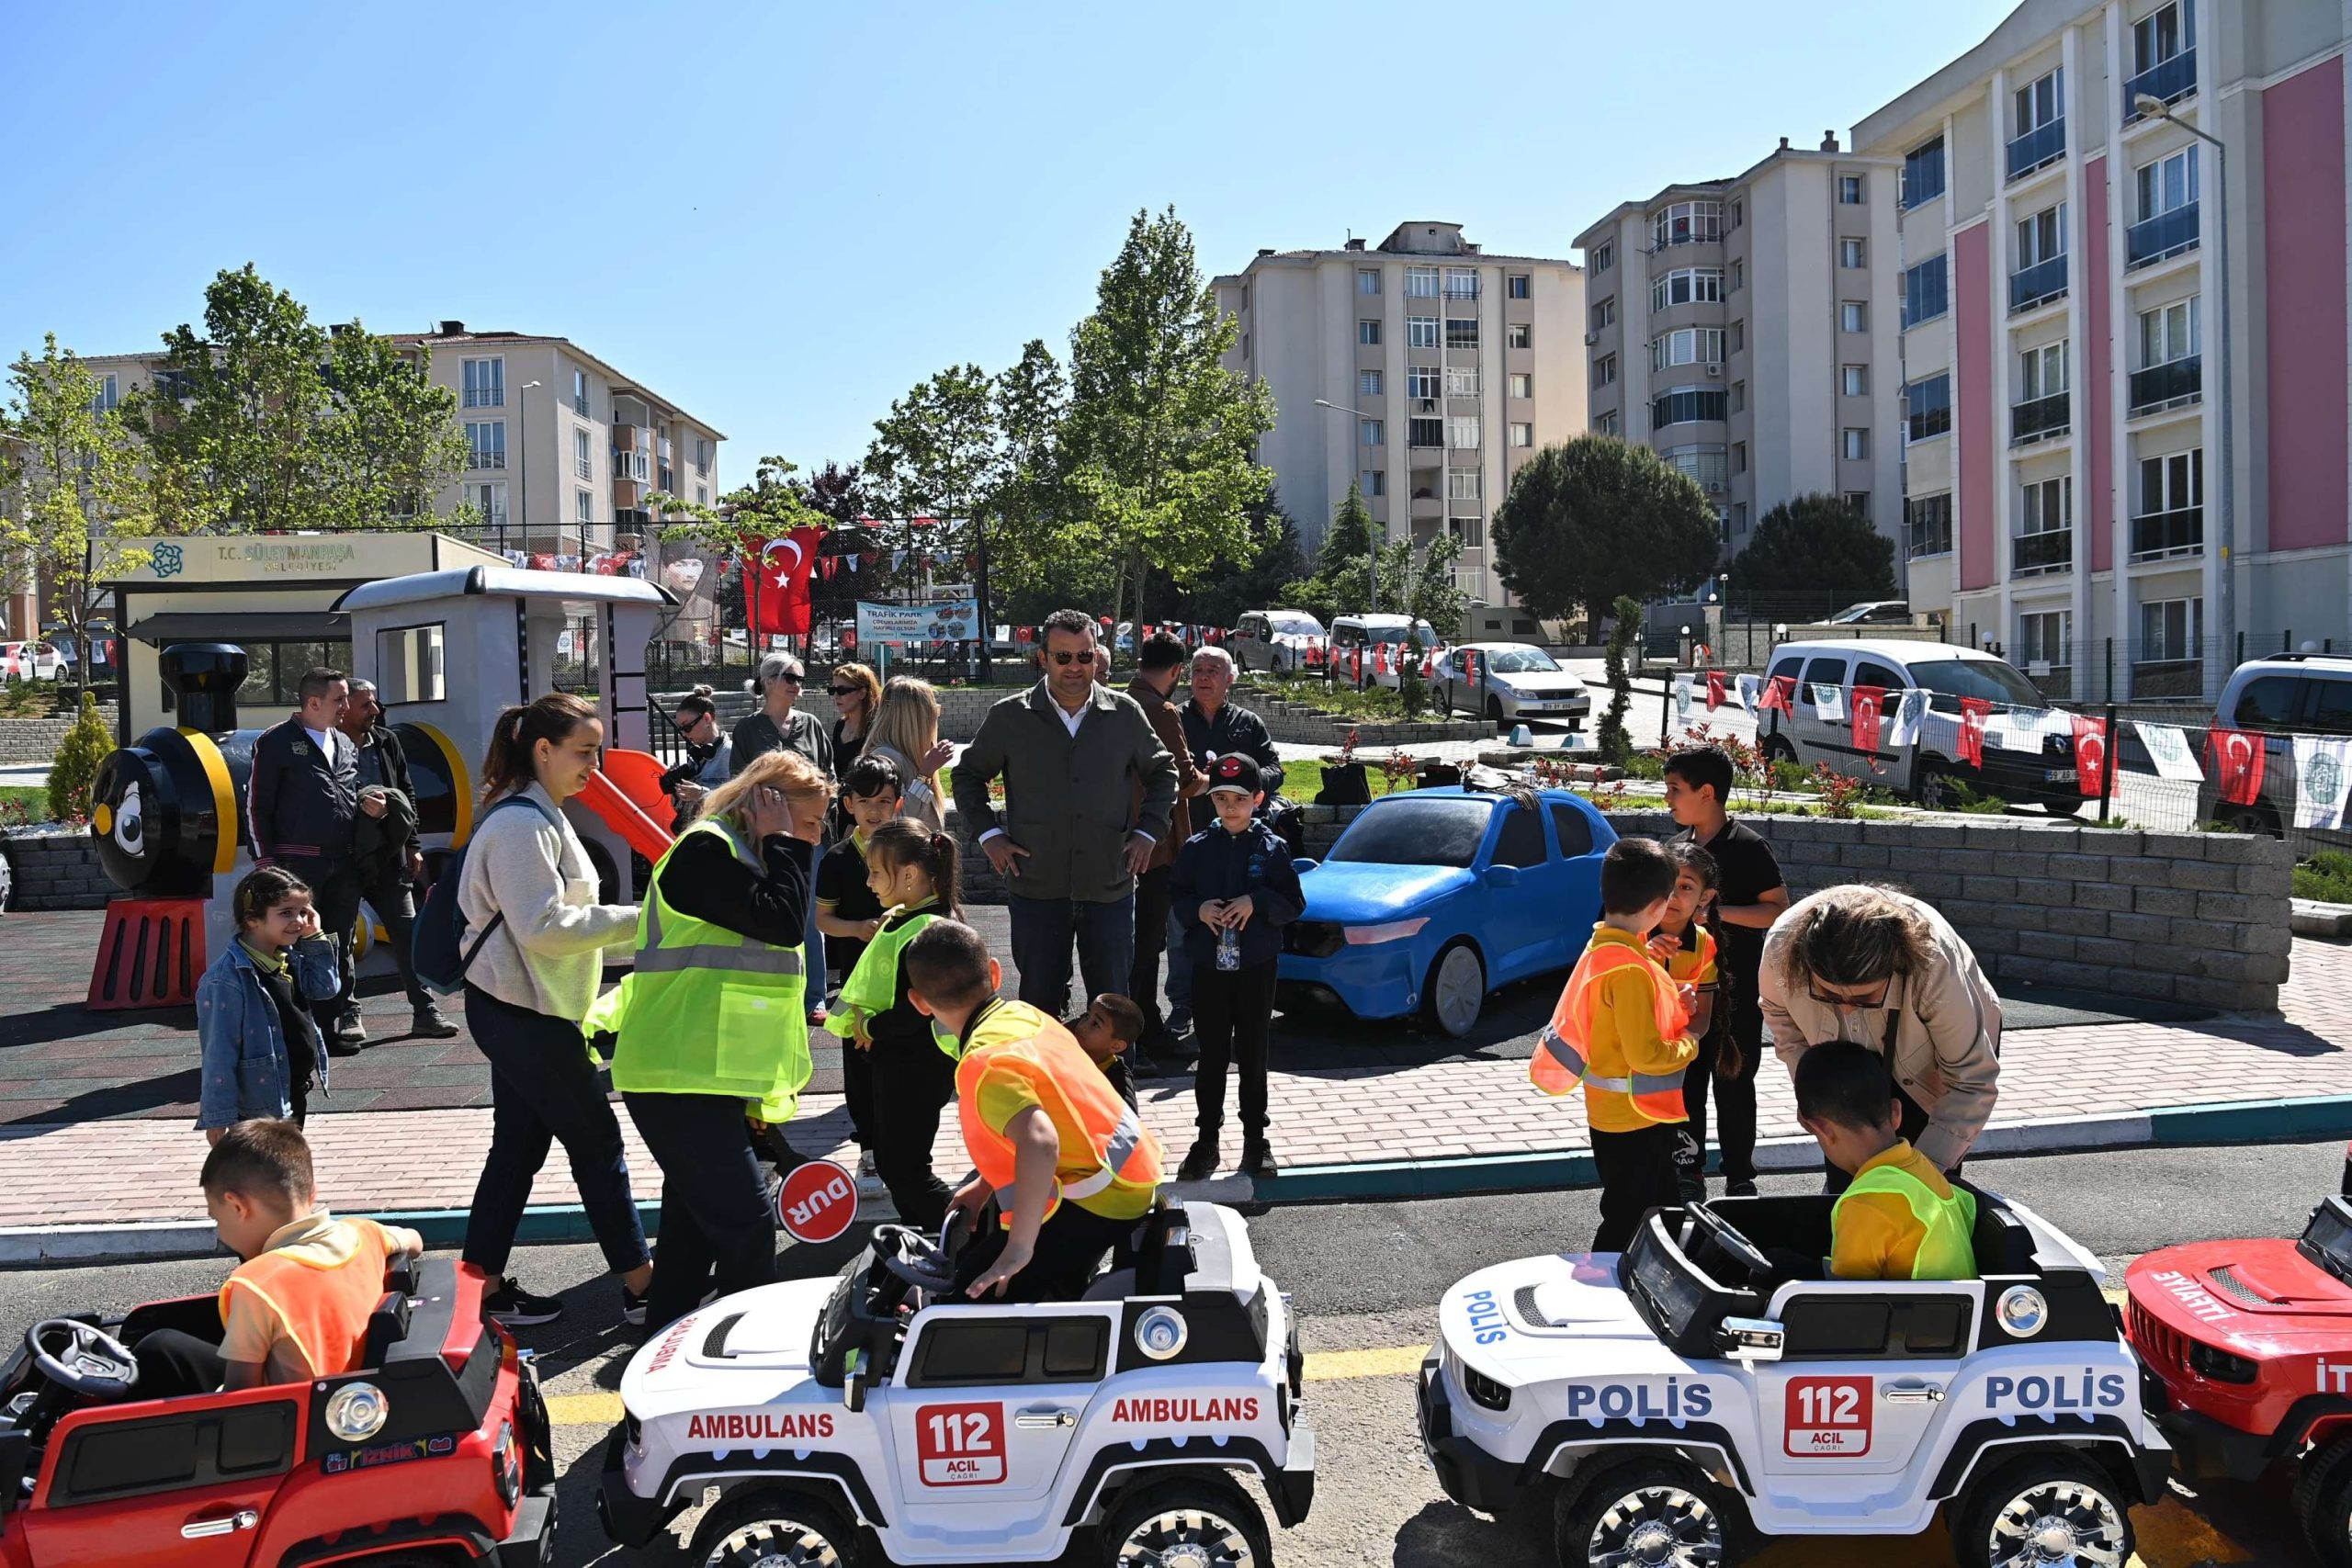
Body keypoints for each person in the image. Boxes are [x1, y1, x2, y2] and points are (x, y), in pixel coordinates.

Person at [599, 750, 831, 1335]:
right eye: (810, 824)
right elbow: (781, 925)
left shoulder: (737, 857)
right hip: (675, 1074)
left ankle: (659, 1372)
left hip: (696, 1074)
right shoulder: (707, 851)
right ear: (765, 806)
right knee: (746, 1226)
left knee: (691, 1235)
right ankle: (743, 1369)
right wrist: (787, 845)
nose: (816, 837)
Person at [457, 694, 653, 1328]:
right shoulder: (520, 825)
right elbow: (543, 926)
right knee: (597, 1139)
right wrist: (645, 922)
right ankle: (642, 1284)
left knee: (516, 1150)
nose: (593, 765)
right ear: (542, 750)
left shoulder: (542, 813)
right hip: (523, 1012)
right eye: (584, 751)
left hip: (524, 1007)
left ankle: (480, 1289)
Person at [903, 919, 1162, 1303]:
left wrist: (1019, 1250)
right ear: (993, 973)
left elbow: (1041, 1143)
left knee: (970, 1296)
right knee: (993, 1274)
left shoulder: (983, 1064)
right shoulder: (1027, 1015)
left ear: (920, 1002)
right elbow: (1052, 1113)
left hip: (1102, 1196)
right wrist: (983, 1186)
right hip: (1126, 1178)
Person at [952, 610, 1177, 1018]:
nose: (1075, 667)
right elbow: (967, 777)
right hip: (1036, 888)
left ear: (1096, 656)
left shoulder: (1124, 714)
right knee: (1037, 1011)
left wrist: (1148, 832)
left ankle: (1113, 1084)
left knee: (1112, 1013)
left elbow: (1164, 772)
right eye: (1063, 657)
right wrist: (989, 835)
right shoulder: (1010, 716)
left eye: (1084, 657)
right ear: (1043, 657)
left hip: (1108, 885)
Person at [130, 1119, 425, 1397]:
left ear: (237, 1207)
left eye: (216, 1218)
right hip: (343, 1392)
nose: (220, 1232)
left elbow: (239, 1398)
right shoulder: (363, 1234)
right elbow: (414, 1240)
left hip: (291, 1420)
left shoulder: (257, 1285)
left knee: (159, 1348)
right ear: (312, 1194)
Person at [1760, 885, 2003, 1190]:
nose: (1847, 1009)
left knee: (1929, 1172)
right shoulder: (1782, 947)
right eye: (1829, 995)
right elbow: (1778, 1012)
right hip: (1844, 1055)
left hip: (1930, 1060)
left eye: (1865, 999)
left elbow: (1970, 1083)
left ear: (1896, 970)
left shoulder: (1933, 963)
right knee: (1847, 1161)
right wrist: (1815, 1091)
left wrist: (1919, 1179)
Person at [1529, 838, 1700, 1253]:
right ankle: (1605, 1289)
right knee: (1631, 1218)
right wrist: (1689, 1043)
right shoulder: (1630, 970)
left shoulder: (1601, 948)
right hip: (1636, 1117)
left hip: (1611, 1114)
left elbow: (1618, 1017)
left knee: (1651, 1208)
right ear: (1658, 908)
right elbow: (1647, 1055)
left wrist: (1672, 1000)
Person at [1662, 745, 1789, 1198]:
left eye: (1676, 790)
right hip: (1684, 989)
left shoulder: (1749, 846)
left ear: (1708, 792)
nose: (1668, 799)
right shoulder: (1675, 851)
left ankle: (1740, 1177)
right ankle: (1688, 1170)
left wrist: (1717, 912)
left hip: (1737, 990)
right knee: (1687, 1081)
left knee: (1734, 1081)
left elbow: (1777, 911)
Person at [1171, 755, 1303, 1180]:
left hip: (1255, 967)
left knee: (1252, 1052)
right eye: (1221, 798)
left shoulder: (1273, 848)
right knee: (1211, 1054)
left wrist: (1257, 901)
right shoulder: (1196, 849)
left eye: (1240, 799)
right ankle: (1206, 1139)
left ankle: (1255, 1141)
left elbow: (1293, 903)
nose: (1230, 807)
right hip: (1209, 966)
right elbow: (1179, 899)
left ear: (1258, 799)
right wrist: (1199, 909)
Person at [835, 818, 962, 1232]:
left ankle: (969, 1235)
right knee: (895, 1164)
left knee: (906, 1167)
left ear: (909, 875)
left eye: (875, 871)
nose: (869, 882)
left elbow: (918, 1007)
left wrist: (872, 1028)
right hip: (898, 1063)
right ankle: (929, 1238)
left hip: (918, 1066)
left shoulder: (930, 930)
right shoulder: (905, 918)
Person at [247, 666, 375, 1054]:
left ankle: (331, 1023)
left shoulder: (347, 743)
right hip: (296, 866)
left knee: (337, 943)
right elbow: (256, 805)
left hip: (344, 863)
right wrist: (266, 865)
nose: (347, 706)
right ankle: (294, 1029)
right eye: (339, 700)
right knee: (294, 946)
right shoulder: (276, 741)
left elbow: (348, 794)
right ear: (313, 702)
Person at [1795, 1043, 1980, 1281]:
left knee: (1778, 1267)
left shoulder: (1865, 1202)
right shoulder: (1924, 1170)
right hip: (1951, 1309)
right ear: (1896, 1113)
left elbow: (1846, 1300)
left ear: (1820, 1129)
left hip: (1913, 1317)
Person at [1169, 644, 1277, 1041]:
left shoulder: (1247, 723)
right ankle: (1181, 1006)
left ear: (1230, 678)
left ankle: (1241, 1009)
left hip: (1240, 843)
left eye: (1213, 669)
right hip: (1189, 839)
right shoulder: (1175, 719)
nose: (1203, 676)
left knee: (1238, 921)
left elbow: (1273, 768)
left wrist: (1243, 785)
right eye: (1197, 669)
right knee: (1185, 926)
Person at [339, 678, 458, 1039]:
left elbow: (407, 791)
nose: (374, 711)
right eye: (365, 706)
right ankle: (347, 1015)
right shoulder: (327, 744)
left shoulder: (387, 741)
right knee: (341, 936)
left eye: (376, 704)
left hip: (388, 855)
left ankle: (425, 1011)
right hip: (343, 857)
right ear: (343, 710)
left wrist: (412, 844)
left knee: (407, 932)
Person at [197, 868, 337, 1140]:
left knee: (283, 1173)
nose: (298, 921)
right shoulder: (226, 980)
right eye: (286, 913)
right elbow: (218, 1052)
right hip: (259, 1106)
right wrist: (218, 1117)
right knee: (269, 1176)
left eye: (303, 912)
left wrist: (315, 938)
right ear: (252, 920)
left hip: (293, 1089)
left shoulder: (289, 958)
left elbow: (325, 988)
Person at [730, 651, 831, 1018]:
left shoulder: (812, 724)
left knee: (807, 915)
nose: (797, 685)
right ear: (768, 681)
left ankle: (814, 997)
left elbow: (827, 774)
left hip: (806, 835)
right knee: (766, 909)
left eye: (800, 679)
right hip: (763, 835)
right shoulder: (747, 730)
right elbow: (739, 784)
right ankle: (773, 991)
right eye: (790, 677)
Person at [1125, 633, 1208, 1063]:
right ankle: (1146, 1028)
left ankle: (1139, 1024)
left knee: (1130, 943)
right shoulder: (1161, 709)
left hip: (1121, 840)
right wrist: (1210, 780)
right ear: (1177, 671)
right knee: (1149, 943)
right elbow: (1186, 778)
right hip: (1158, 845)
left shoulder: (1119, 703)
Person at [816, 755, 900, 1169]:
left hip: (906, 981)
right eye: (865, 801)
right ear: (848, 804)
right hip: (857, 980)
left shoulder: (914, 849)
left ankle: (904, 1143)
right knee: (861, 1058)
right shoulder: (837, 859)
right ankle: (868, 1145)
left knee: (904, 1059)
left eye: (884, 801)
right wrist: (858, 928)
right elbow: (822, 920)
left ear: (898, 804)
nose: (875, 810)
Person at [1649, 842, 1723, 1201]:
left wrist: (1687, 1042)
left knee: (1690, 1103)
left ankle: (1690, 1172)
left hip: (1684, 1053)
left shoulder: (1704, 944)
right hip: (1636, 1051)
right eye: (1667, 883)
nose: (1673, 895)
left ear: (1705, 898)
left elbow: (1703, 1014)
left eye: (1687, 887)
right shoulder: (1630, 934)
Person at [862, 675, 954, 834]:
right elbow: (894, 822)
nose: (937, 716)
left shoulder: (906, 755)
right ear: (915, 717)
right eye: (934, 710)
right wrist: (924, 775)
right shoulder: (884, 757)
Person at [662, 686, 732, 825]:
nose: (684, 734)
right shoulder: (696, 756)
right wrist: (677, 793)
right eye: (681, 729)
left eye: (687, 726)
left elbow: (740, 800)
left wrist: (702, 794)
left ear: (707, 719)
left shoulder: (731, 753)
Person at [1069, 993, 1145, 1112]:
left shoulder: (1118, 1081)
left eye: (1096, 1024)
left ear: (1116, 1046)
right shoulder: (1065, 1044)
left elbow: (1128, 1123)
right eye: (1086, 1016)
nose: (1083, 1025)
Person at [828, 661, 882, 764]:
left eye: (841, 690)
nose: (835, 696)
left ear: (862, 693)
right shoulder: (840, 725)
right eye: (832, 690)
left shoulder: (877, 729)